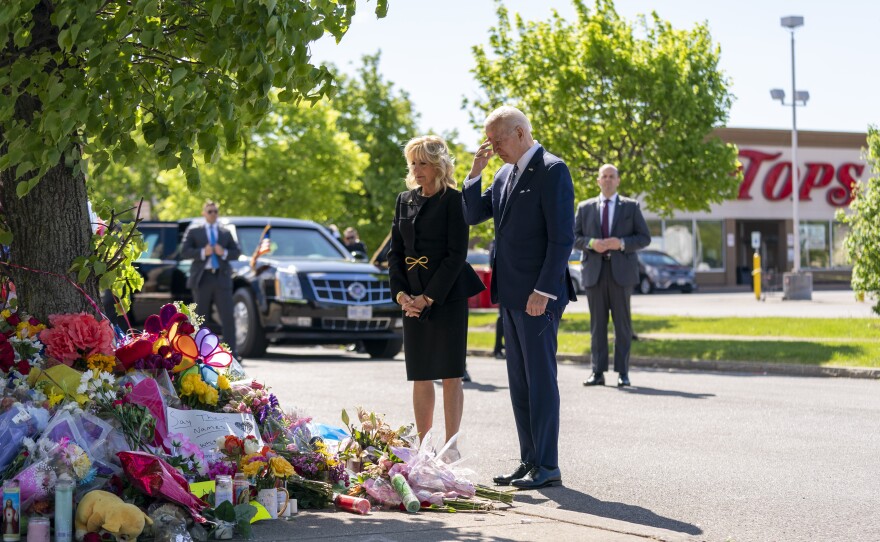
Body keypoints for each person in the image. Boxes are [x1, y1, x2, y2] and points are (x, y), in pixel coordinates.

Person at [462, 106, 576, 490]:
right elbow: (472, 213)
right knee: (520, 383)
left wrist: (544, 290)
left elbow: (563, 238)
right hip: (511, 295)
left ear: (521, 133)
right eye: (489, 142)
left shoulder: (552, 169)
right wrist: (475, 174)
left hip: (538, 296)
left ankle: (548, 465)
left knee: (541, 381)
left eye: (497, 141)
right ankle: (529, 461)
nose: (493, 148)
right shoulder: (502, 172)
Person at [388, 135, 485, 446]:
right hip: (411, 298)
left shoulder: (455, 201)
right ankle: (424, 445)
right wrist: (403, 296)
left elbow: (457, 255)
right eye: (413, 163)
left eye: (424, 163)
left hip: (446, 296)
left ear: (439, 166)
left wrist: (428, 298)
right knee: (420, 373)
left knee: (450, 373)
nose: (417, 169)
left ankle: (450, 445)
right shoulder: (404, 200)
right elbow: (395, 253)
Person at [574, 164, 650, 387]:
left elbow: (644, 238)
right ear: (598, 181)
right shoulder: (585, 207)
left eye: (611, 176)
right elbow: (573, 237)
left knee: (622, 326)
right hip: (594, 273)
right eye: (603, 176)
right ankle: (597, 372)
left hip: (621, 274)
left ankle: (623, 373)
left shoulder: (631, 207)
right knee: (597, 326)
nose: (607, 180)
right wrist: (591, 243)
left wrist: (622, 243)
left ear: (618, 180)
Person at [180, 201, 243, 358]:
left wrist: (224, 252)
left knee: (228, 316)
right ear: (204, 213)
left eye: (215, 211)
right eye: (210, 211)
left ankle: (231, 353)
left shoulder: (225, 232)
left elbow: (236, 252)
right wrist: (203, 251)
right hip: (203, 278)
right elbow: (185, 251)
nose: (213, 214)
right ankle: (200, 353)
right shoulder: (195, 231)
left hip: (221, 277)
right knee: (201, 317)